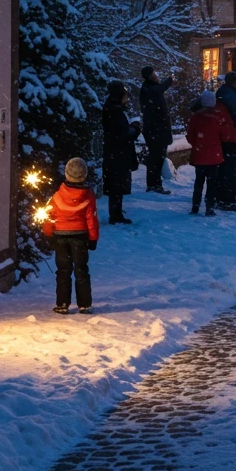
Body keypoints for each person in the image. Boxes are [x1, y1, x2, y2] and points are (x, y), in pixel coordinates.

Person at [42, 156, 99, 314]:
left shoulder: (57, 196)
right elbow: (92, 219)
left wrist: (49, 234)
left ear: (66, 173)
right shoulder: (88, 196)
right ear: (84, 175)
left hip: (60, 237)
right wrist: (93, 238)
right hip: (80, 236)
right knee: (81, 269)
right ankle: (84, 304)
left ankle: (62, 303)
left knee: (63, 271)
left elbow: (48, 216)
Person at [101, 80, 141, 225]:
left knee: (115, 185)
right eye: (125, 95)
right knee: (117, 185)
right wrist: (135, 128)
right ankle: (115, 215)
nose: (127, 98)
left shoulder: (111, 109)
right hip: (118, 154)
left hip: (114, 153)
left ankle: (116, 212)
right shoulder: (115, 112)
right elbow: (123, 134)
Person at [186, 90, 229, 216]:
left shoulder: (195, 118)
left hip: (199, 155)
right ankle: (209, 207)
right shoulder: (218, 118)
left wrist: (198, 144)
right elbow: (224, 136)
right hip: (214, 156)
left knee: (199, 182)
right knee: (212, 183)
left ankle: (195, 206)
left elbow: (190, 137)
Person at [215, 70, 236, 211]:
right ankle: (227, 200)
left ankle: (218, 197)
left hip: (221, 137)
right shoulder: (233, 96)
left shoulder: (220, 93)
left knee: (222, 169)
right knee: (232, 171)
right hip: (232, 137)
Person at [139, 66, 174, 194]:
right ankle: (154, 184)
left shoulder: (150, 88)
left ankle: (154, 183)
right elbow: (159, 89)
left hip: (156, 130)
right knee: (156, 158)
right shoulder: (149, 89)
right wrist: (169, 80)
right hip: (156, 131)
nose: (156, 75)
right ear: (149, 76)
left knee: (157, 158)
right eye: (154, 74)